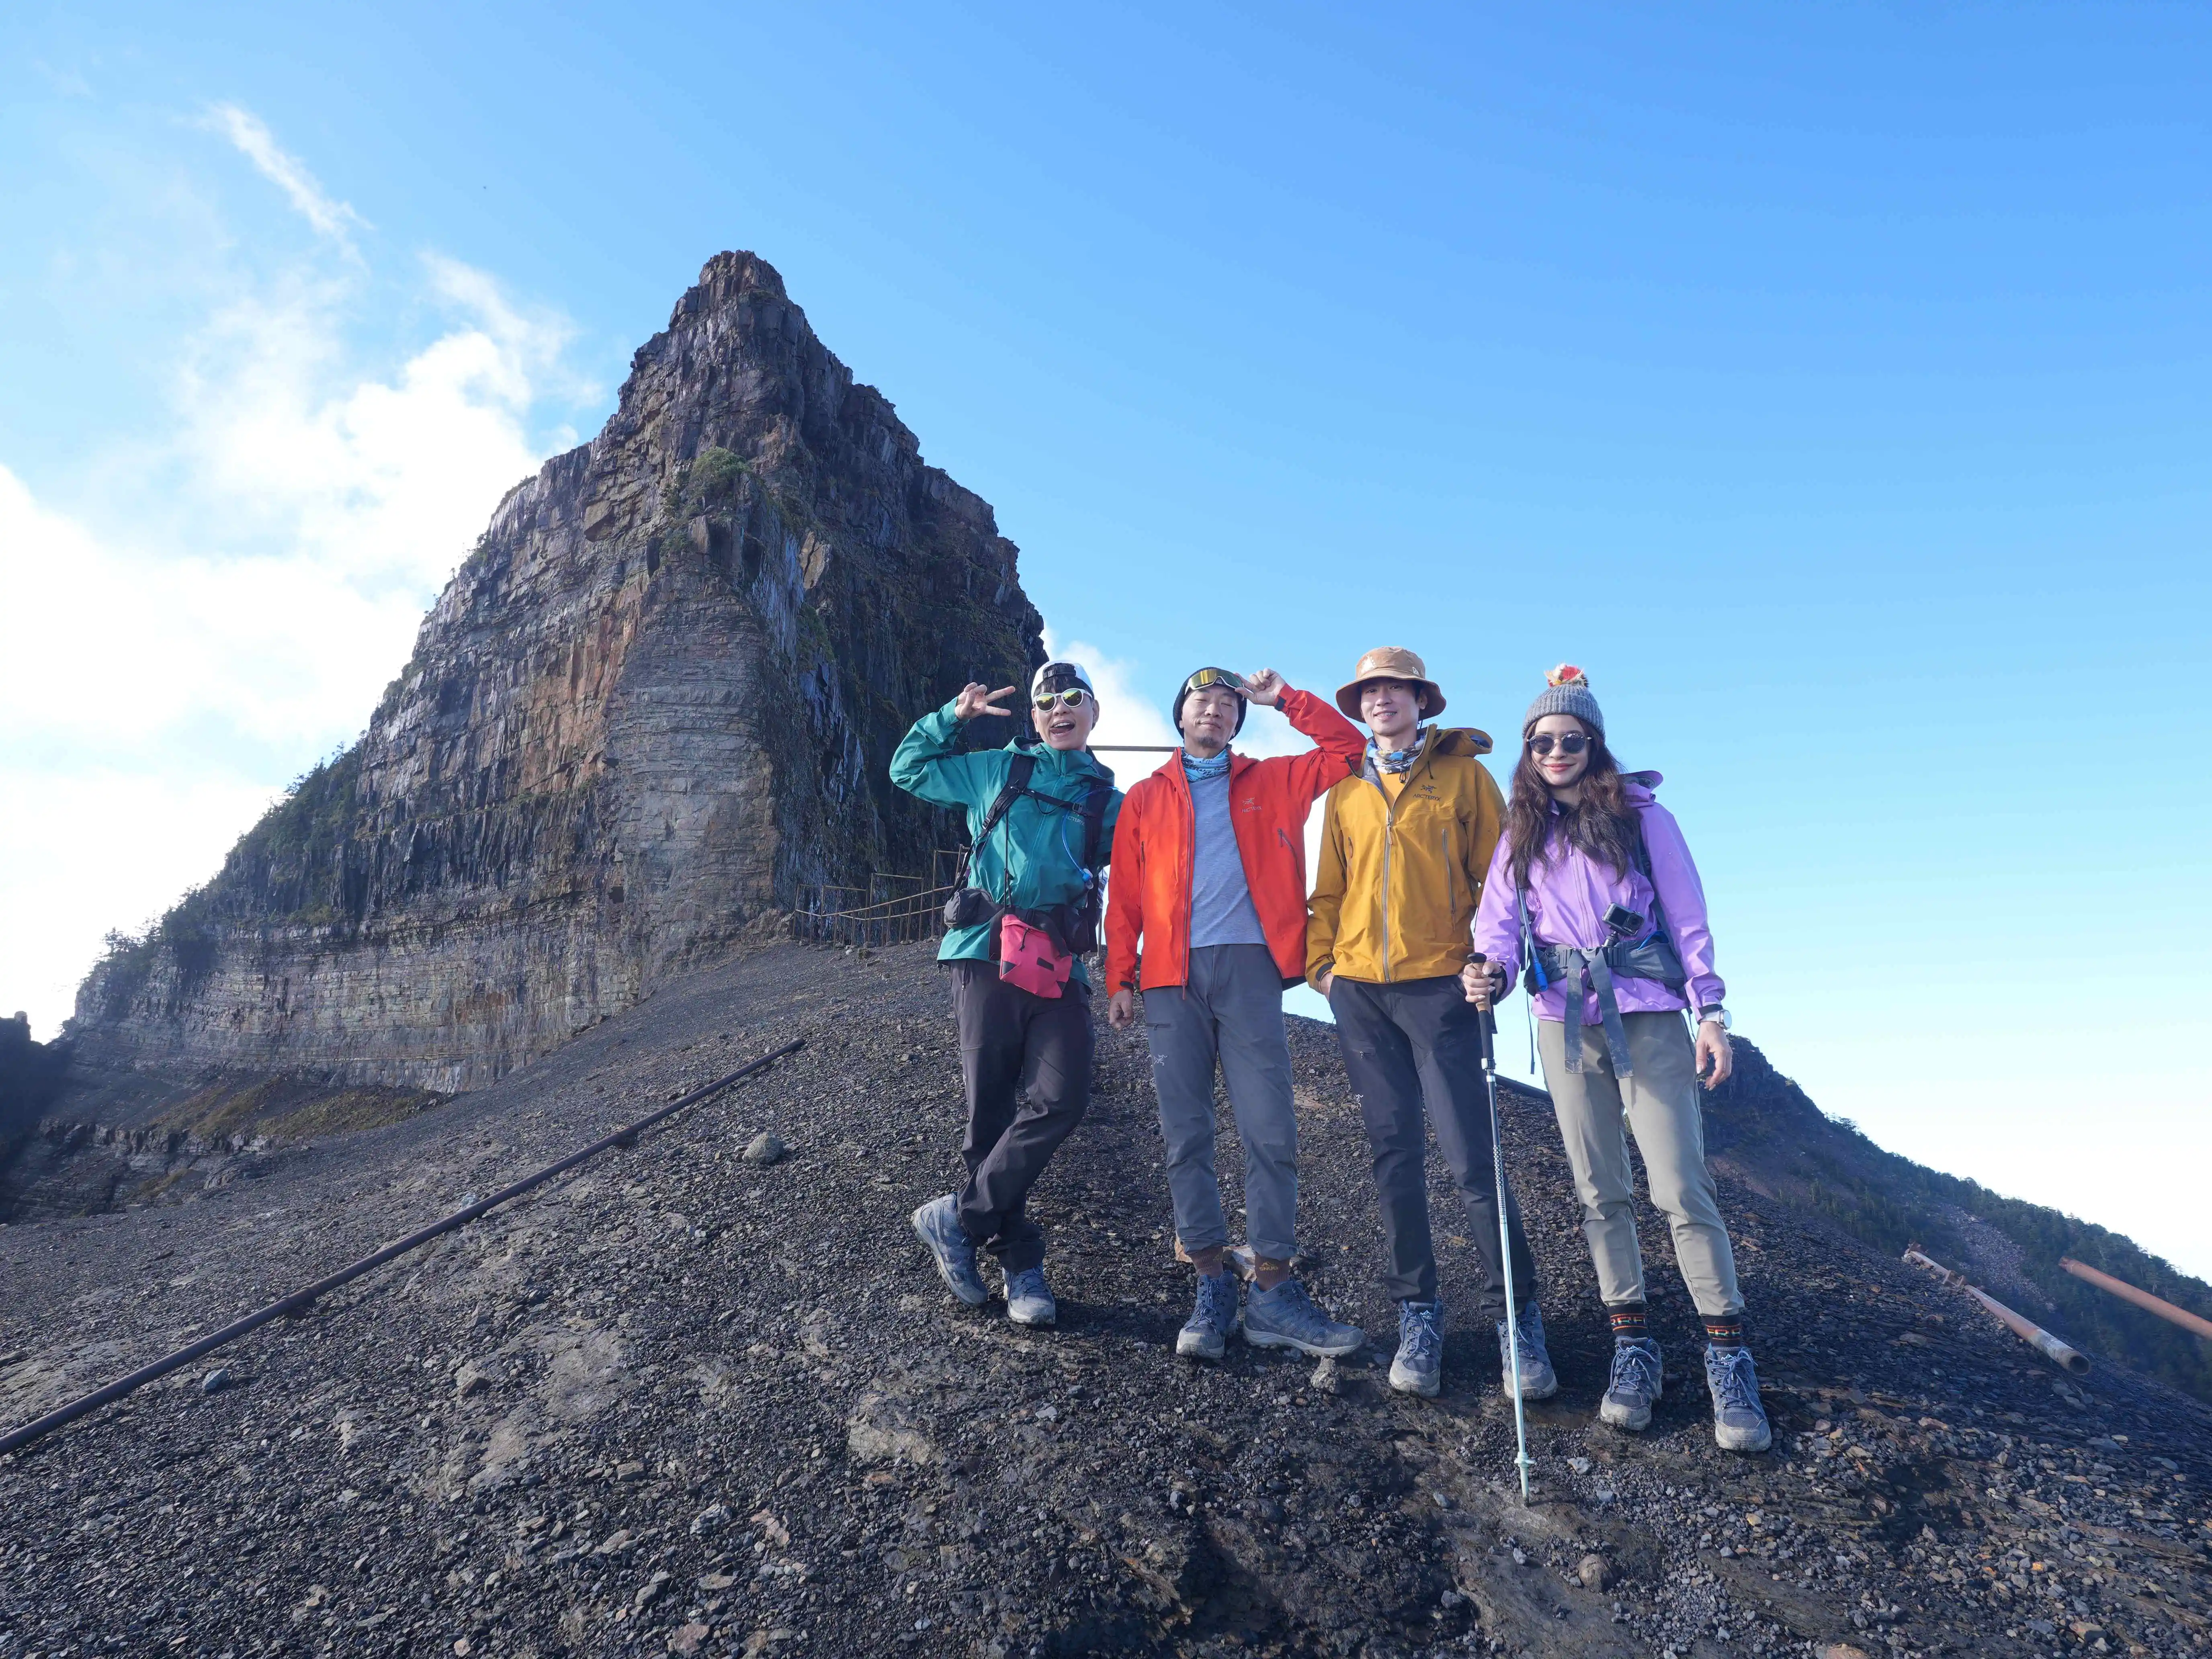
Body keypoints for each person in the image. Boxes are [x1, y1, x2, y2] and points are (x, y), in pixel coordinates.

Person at [1466, 665, 1770, 1453]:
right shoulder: (1519, 834)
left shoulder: (1642, 818)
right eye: (1542, 742)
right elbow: (1498, 925)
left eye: (1570, 739)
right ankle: (1633, 1348)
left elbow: (1687, 913)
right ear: (1528, 753)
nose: (1555, 751)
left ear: (1594, 745)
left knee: (1679, 1187)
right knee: (1599, 1190)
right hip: (1560, 1018)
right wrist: (1488, 971)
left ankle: (1728, 1361)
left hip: (1647, 1014)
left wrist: (1710, 1011)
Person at [1305, 647, 1553, 1400]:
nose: (1382, 699)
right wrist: (1324, 968)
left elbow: (1506, 883)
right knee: (1393, 1157)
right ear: (1361, 706)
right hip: (1362, 995)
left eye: (1395, 688)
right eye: (1370, 690)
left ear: (1421, 699)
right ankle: (1419, 1313)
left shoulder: (1465, 778)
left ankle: (1519, 1319)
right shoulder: (1347, 790)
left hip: (1446, 988)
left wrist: (1491, 965)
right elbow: (1328, 891)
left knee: (1473, 1160)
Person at [1104, 666, 1367, 1361]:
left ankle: (1273, 1288)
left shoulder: (1274, 780)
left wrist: (1284, 700)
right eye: (1202, 701)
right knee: (1185, 1135)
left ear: (1238, 718)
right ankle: (1212, 1282)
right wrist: (1119, 977)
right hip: (1168, 980)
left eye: (1227, 704)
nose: (1215, 711)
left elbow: (1348, 751)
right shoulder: (1145, 798)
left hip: (1250, 969)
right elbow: (1125, 896)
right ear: (1180, 714)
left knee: (1270, 1128)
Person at [890, 661, 1124, 1328]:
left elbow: (1156, 854)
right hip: (985, 952)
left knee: (1065, 1096)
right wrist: (953, 718)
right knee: (988, 1113)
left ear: (1094, 713)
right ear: (1036, 715)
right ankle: (1021, 1265)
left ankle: (958, 1220)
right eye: (1048, 701)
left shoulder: (1107, 801)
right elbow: (907, 769)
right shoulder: (996, 768)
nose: (1059, 709)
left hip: (1059, 967)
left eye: (1073, 700)